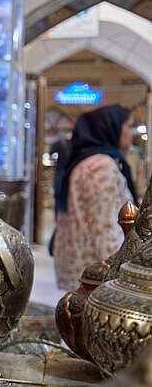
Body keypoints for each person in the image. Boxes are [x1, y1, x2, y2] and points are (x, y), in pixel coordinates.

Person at [53, 104, 139, 290]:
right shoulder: (102, 167)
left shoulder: (85, 162)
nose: (132, 133)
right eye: (129, 126)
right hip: (99, 278)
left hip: (84, 271)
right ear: (112, 128)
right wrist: (121, 276)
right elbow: (106, 230)